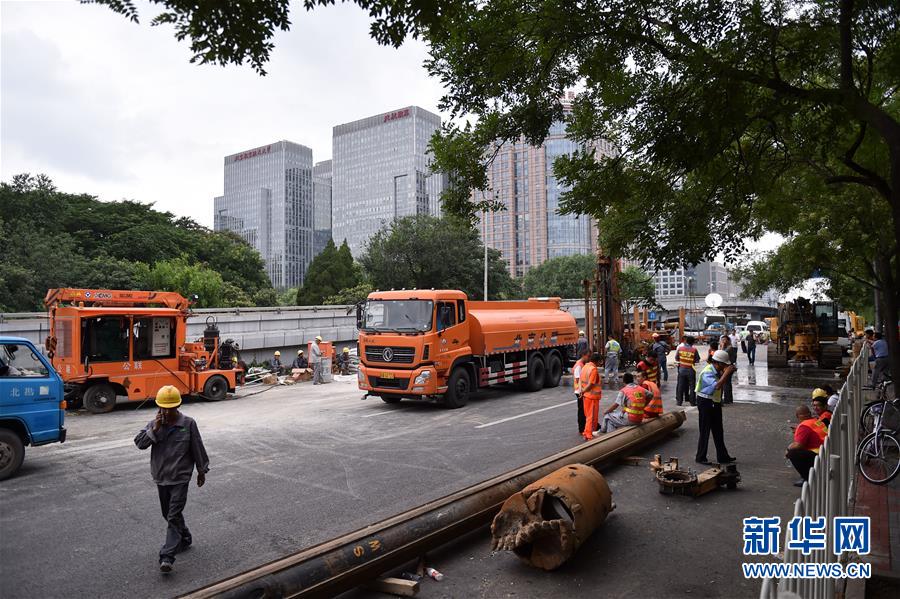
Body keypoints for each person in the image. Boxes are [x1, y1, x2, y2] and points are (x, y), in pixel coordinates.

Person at [134, 386, 209, 573]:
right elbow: (140, 444)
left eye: (171, 408)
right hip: (161, 477)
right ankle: (185, 538)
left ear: (178, 406)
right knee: (168, 514)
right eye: (163, 408)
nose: (167, 412)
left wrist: (201, 470)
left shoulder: (188, 424)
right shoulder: (154, 424)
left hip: (180, 478)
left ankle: (167, 556)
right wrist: (155, 429)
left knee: (173, 515)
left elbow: (197, 447)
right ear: (159, 407)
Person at [695, 349, 737, 465]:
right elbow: (717, 386)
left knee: (718, 430)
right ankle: (700, 457)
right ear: (717, 363)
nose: (724, 367)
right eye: (724, 365)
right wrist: (727, 373)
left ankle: (723, 456)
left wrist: (727, 372)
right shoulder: (707, 372)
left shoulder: (717, 371)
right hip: (705, 402)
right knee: (705, 430)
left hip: (714, 402)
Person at [785, 405, 827, 486]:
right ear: (810, 413)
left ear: (797, 416)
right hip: (826, 451)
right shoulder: (816, 421)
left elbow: (798, 445)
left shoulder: (804, 426)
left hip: (820, 456)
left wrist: (788, 448)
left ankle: (807, 478)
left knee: (792, 453)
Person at [580, 352, 603, 441]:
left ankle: (586, 432)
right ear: (597, 361)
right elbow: (591, 384)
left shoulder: (585, 367)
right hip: (592, 397)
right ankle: (588, 434)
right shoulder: (593, 369)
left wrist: (582, 391)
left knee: (588, 416)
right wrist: (584, 390)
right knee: (591, 416)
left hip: (586, 396)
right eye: (600, 361)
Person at [675, 336, 701, 406]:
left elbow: (676, 358)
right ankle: (692, 402)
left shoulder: (680, 348)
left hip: (681, 369)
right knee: (692, 386)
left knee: (680, 386)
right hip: (691, 370)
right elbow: (697, 360)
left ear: (686, 341)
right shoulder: (694, 349)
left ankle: (679, 402)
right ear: (692, 342)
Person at [573, 348, 591, 434]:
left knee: (584, 410)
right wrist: (581, 391)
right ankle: (582, 428)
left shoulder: (582, 364)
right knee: (582, 410)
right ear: (583, 355)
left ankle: (584, 427)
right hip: (580, 391)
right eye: (588, 356)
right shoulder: (579, 366)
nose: (589, 358)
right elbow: (578, 380)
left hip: (582, 391)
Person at [719, 335, 738, 404]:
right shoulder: (727, 347)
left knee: (726, 383)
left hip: (728, 367)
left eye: (724, 340)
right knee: (727, 383)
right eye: (722, 340)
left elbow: (721, 354)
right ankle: (729, 399)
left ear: (728, 340)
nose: (723, 341)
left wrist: (722, 346)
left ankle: (727, 399)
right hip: (727, 366)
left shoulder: (729, 348)